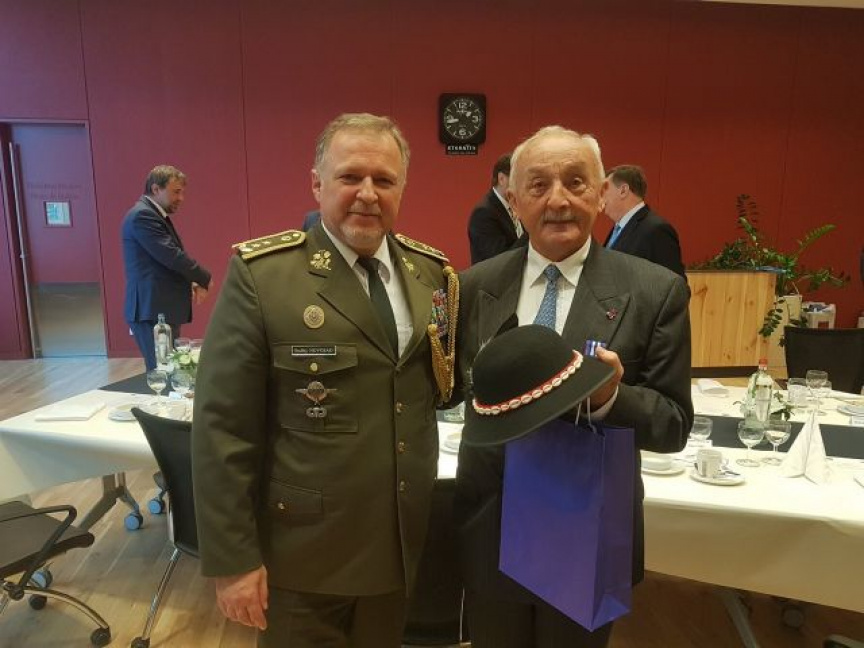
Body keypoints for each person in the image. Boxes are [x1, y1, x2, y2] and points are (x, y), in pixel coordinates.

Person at [191, 113, 452, 648]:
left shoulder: (431, 275)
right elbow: (223, 428)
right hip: (302, 555)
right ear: (317, 183)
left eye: (384, 180)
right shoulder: (264, 277)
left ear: (402, 187)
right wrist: (234, 560)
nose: (367, 194)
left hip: (397, 545)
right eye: (350, 176)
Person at [454, 126, 693, 647]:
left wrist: (609, 397)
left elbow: (674, 423)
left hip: (587, 534)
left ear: (602, 193)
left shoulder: (655, 291)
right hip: (491, 526)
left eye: (575, 182)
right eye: (538, 185)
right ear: (514, 199)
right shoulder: (471, 287)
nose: (558, 200)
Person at [121, 165, 211, 370]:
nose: (181, 198)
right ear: (156, 189)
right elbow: (171, 256)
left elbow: (162, 261)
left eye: (182, 192)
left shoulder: (152, 214)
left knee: (168, 370)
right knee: (162, 372)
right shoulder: (143, 216)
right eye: (176, 192)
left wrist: (190, 281)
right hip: (152, 310)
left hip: (158, 308)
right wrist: (204, 277)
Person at [601, 164, 685, 277]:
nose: (600, 197)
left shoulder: (657, 230)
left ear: (623, 191)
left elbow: (675, 282)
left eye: (605, 189)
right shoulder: (618, 229)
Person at [468, 153, 526, 264]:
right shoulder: (483, 213)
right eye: (517, 179)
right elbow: (498, 259)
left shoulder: (517, 205)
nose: (522, 185)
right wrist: (531, 231)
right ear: (501, 179)